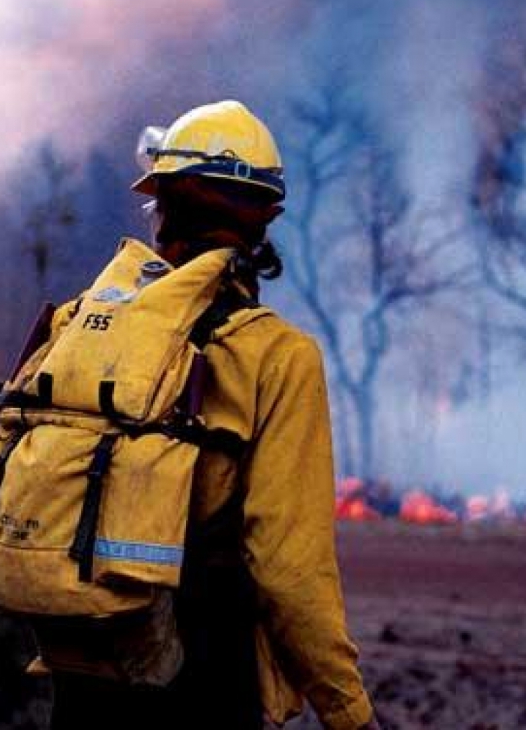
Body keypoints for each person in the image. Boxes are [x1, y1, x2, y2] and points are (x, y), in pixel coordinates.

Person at [45, 100, 379, 730]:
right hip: (202, 678)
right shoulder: (276, 356)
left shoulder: (78, 325)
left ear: (160, 210)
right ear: (262, 221)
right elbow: (289, 568)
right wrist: (349, 712)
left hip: (82, 669)